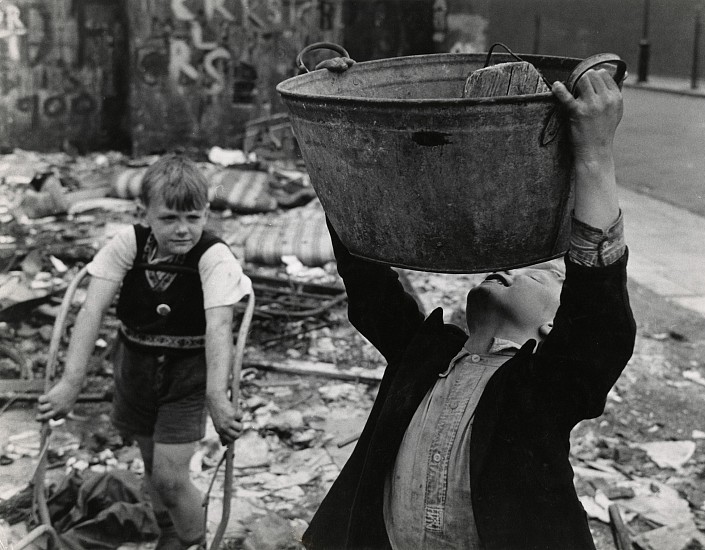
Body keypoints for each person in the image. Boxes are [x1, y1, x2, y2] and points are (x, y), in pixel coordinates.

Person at [302, 68, 636, 549]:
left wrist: (595, 152)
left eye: (542, 273)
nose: (512, 270)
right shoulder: (420, 358)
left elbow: (597, 309)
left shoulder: (546, 387)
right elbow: (365, 276)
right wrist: (337, 140)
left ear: (551, 327)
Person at [37, 154, 252, 550]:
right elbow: (92, 308)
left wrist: (217, 397)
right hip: (135, 369)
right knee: (153, 467)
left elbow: (219, 326)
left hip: (187, 377)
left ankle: (193, 542)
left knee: (172, 477)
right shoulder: (129, 244)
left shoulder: (213, 256)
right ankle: (168, 533)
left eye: (193, 217)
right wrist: (70, 383)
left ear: (206, 213)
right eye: (169, 218)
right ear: (144, 214)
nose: (183, 230)